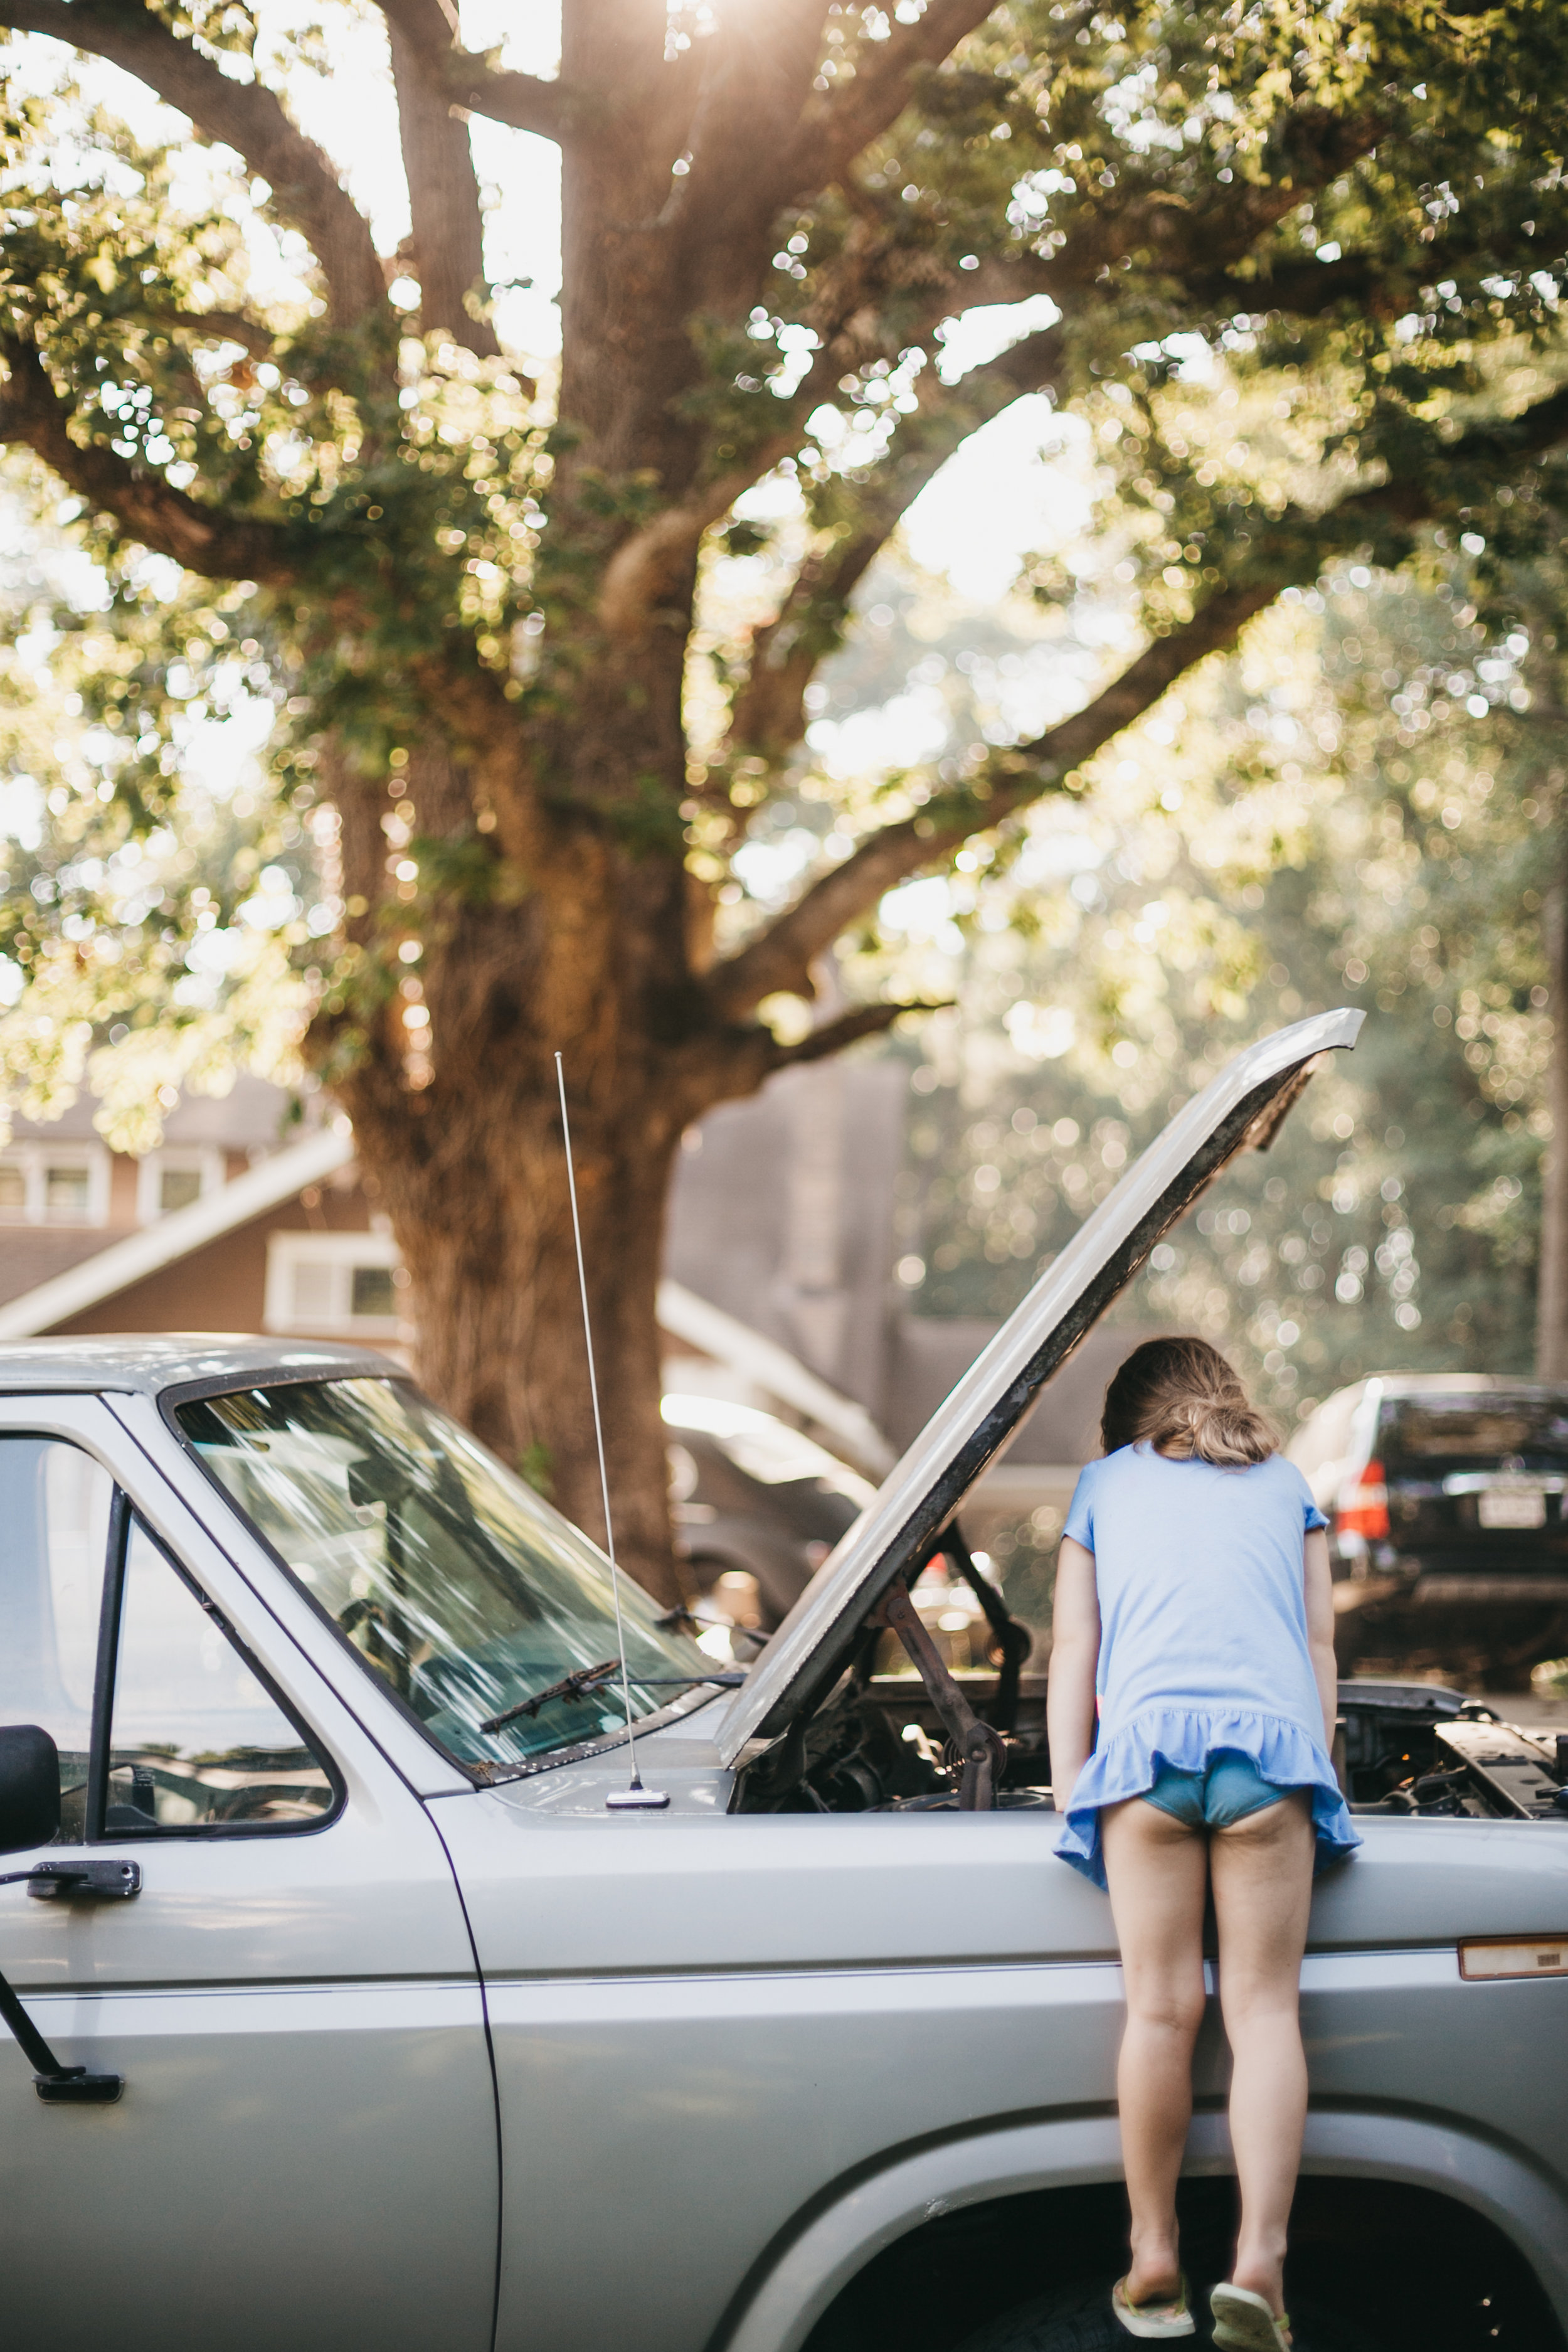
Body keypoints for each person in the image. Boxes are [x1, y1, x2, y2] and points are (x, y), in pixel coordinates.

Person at [1046, 1336, 1359, 2350]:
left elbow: (1075, 1655)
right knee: (1266, 2011)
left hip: (1143, 1758)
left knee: (1162, 2010)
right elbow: (1318, 1646)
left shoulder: (1102, 1484)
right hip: (1270, 1754)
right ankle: (1260, 2268)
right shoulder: (1288, 1484)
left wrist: (1069, 1793)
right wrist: (1324, 1777)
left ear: (1134, 1418)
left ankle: (1153, 2256)